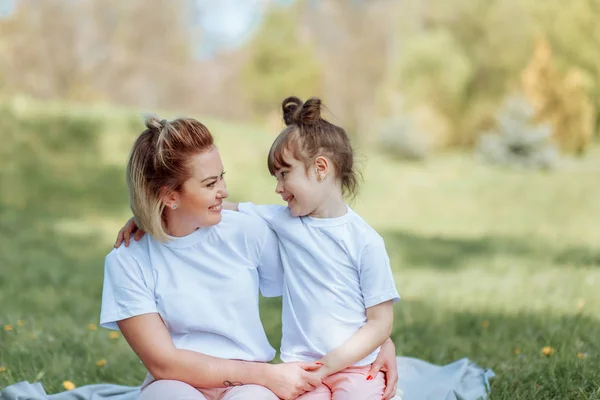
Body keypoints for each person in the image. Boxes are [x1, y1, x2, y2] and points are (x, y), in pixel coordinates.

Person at [106, 115, 400, 400]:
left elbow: (328, 282)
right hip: (175, 383)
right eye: (210, 184)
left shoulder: (247, 231)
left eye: (222, 177)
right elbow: (164, 364)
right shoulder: (128, 260)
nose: (224, 191)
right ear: (170, 197)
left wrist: (378, 341)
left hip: (250, 386)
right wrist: (146, 217)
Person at [224, 96, 400, 399]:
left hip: (356, 368)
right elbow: (223, 208)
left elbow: (380, 322)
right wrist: (150, 216)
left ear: (320, 168)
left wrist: (330, 364)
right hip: (303, 371)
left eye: (284, 174)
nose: (278, 188)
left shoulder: (365, 241)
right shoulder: (283, 220)